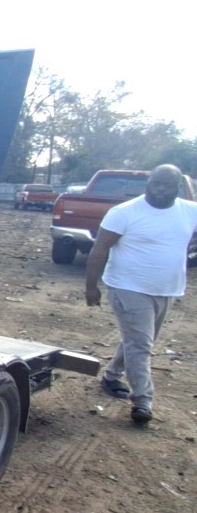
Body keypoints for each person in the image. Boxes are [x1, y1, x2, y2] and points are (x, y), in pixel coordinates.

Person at [85, 164, 197, 423]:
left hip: (165, 289)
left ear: (178, 186)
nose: (160, 189)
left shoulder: (188, 211)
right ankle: (143, 400)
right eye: (156, 183)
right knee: (141, 344)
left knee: (138, 340)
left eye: (168, 185)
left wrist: (189, 184)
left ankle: (111, 376)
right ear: (148, 182)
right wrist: (91, 286)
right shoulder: (124, 212)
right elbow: (100, 250)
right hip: (128, 287)